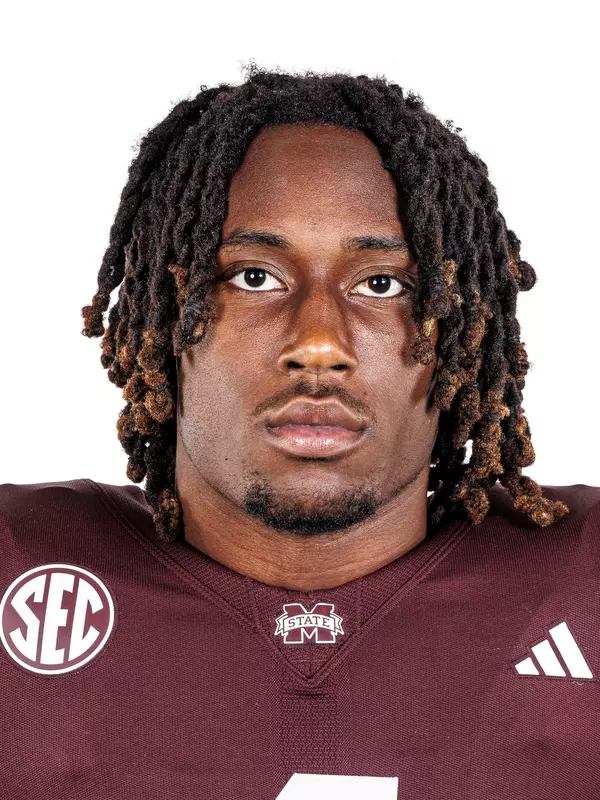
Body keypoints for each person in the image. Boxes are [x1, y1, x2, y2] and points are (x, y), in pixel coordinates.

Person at [1, 65, 598, 800]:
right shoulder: (18, 563)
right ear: (164, 318)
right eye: (254, 276)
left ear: (460, 331)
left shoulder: (586, 576)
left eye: (381, 284)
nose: (319, 343)